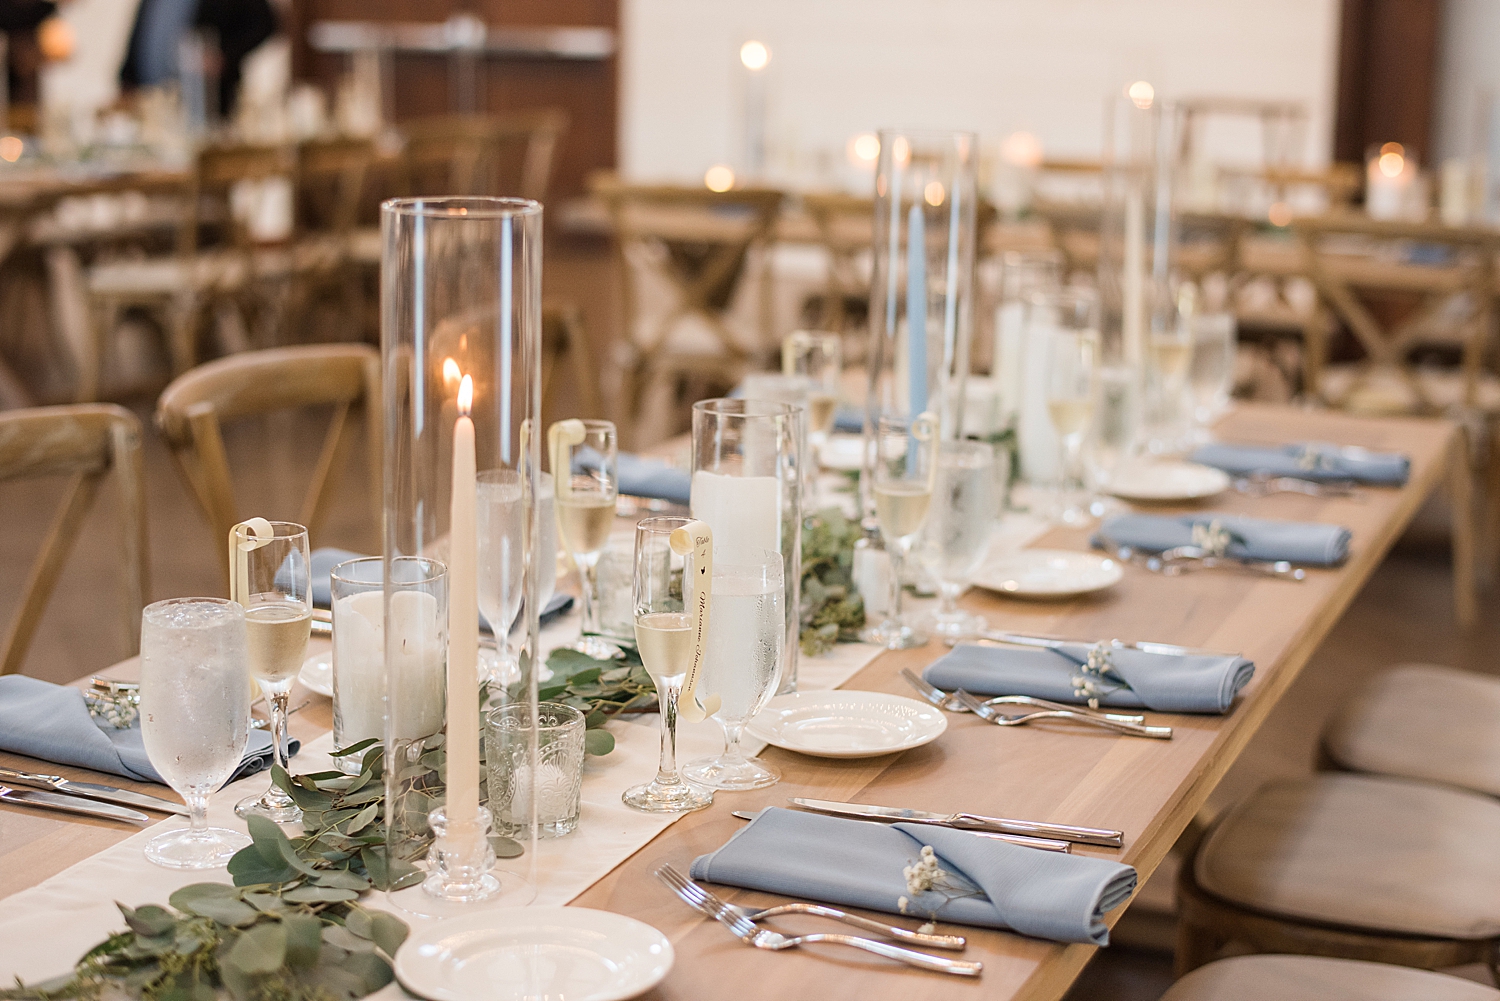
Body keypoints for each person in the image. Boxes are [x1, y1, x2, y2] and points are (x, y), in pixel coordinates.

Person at [119, 0, 276, 117]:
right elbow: (140, 37)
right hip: (150, 103)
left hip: (204, 106)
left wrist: (224, 56)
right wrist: (126, 79)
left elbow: (265, 22)